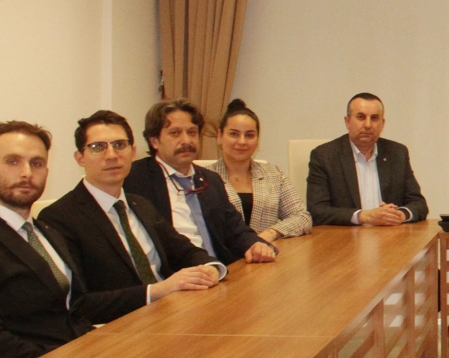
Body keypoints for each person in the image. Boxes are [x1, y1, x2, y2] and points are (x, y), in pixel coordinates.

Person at [0, 122, 152, 358]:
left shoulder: (47, 232)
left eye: (36, 163)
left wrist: (106, 348)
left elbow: (76, 310)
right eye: (12, 162)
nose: (26, 173)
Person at [40, 110, 225, 296]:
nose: (112, 155)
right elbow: (79, 301)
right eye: (98, 147)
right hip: (129, 313)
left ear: (133, 153)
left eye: (119, 145)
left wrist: (210, 267)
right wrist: (157, 290)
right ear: (80, 158)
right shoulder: (58, 218)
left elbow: (184, 251)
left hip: (171, 305)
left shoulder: (140, 205)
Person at [124, 99, 276, 266]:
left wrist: (254, 244)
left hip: (220, 270)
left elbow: (235, 229)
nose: (186, 141)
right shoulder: (135, 178)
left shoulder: (211, 179)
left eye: (192, 132)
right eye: (175, 133)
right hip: (177, 274)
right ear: (154, 140)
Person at [307, 93, 429, 226]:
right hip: (346, 236)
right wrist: (364, 216)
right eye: (361, 117)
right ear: (348, 121)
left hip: (390, 235)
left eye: (375, 118)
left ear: (382, 124)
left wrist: (400, 215)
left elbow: (419, 204)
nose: (368, 125)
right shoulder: (325, 156)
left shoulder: (397, 153)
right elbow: (317, 211)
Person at [210, 99, 312, 243]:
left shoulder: (274, 174)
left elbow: (302, 217)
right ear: (219, 136)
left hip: (265, 254)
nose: (242, 141)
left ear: (258, 140)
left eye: (249, 135)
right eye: (234, 134)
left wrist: (271, 233)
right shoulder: (203, 178)